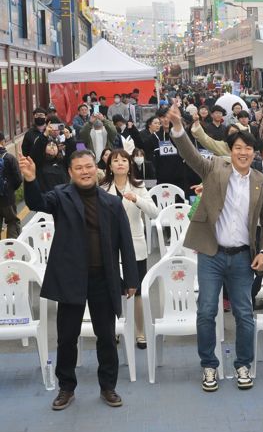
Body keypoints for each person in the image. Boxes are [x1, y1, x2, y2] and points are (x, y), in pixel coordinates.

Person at [165, 105, 263, 392]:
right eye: (238, 148)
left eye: (248, 149)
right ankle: (209, 366)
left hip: (242, 257)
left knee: (243, 313)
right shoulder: (214, 167)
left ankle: (242, 364)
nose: (243, 153)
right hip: (212, 254)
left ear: (255, 154)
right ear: (231, 150)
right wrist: (178, 128)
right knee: (206, 311)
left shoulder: (261, 183)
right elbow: (190, 155)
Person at [20, 150, 138, 409]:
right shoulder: (61, 197)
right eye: (79, 168)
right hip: (71, 278)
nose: (85, 172)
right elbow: (38, 202)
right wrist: (30, 180)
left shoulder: (112, 203)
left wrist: (130, 279)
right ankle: (66, 387)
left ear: (96, 169)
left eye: (88, 167)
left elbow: (126, 244)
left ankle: (108, 386)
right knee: (67, 337)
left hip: (102, 279)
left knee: (106, 336)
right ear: (71, 172)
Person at [99, 149, 158, 349]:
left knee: (138, 291)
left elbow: (155, 212)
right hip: (108, 247)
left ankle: (140, 333)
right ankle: (114, 330)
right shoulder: (102, 187)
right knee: (111, 291)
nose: (120, 163)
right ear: (110, 166)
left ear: (130, 164)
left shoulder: (139, 186)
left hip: (135, 245)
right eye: (116, 160)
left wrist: (137, 199)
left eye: (124, 160)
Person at [0, 134, 22, 238]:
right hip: (7, 198)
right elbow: (18, 179)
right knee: (12, 221)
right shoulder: (10, 158)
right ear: (3, 142)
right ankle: (11, 249)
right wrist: (10, 189)